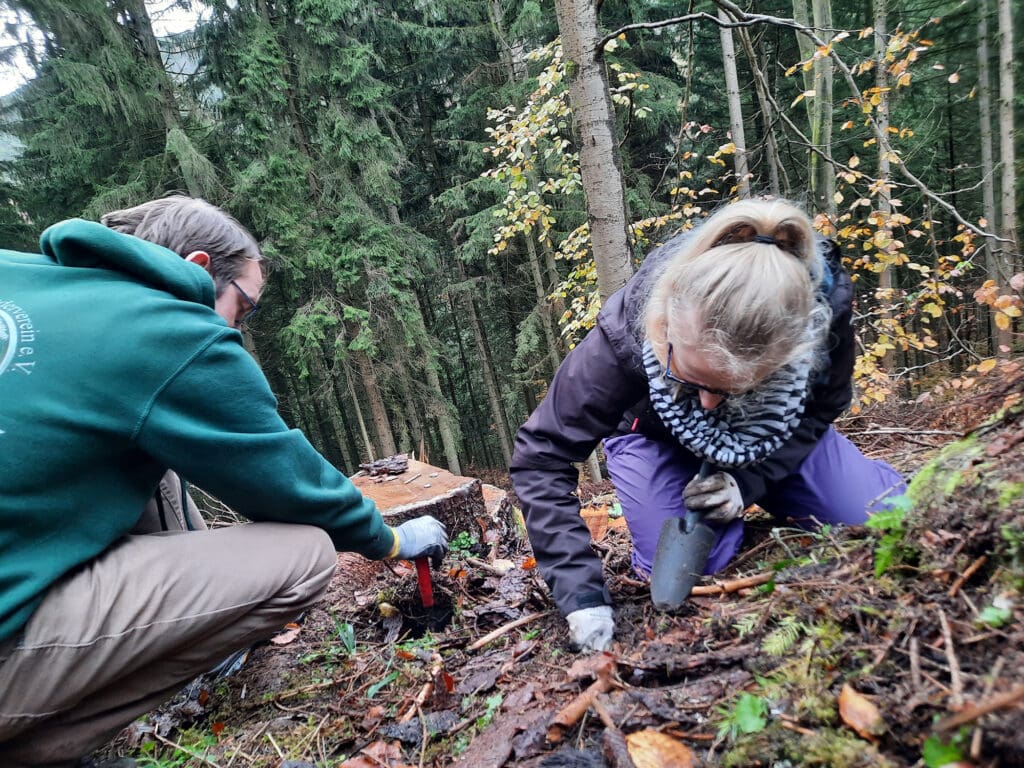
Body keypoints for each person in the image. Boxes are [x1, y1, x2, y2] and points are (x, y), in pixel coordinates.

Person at [0, 196, 448, 766]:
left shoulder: (16, 272)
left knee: (149, 461)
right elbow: (284, 478)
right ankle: (37, 753)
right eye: (245, 308)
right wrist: (390, 540)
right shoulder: (166, 328)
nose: (239, 326)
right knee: (305, 555)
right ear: (198, 265)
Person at [510, 198, 903, 653]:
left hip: (772, 438)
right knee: (696, 565)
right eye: (689, 380)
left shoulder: (820, 317)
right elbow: (542, 456)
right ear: (663, 327)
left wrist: (746, 483)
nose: (709, 404)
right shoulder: (625, 332)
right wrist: (580, 596)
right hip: (653, 435)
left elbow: (820, 409)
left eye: (735, 389)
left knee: (876, 513)